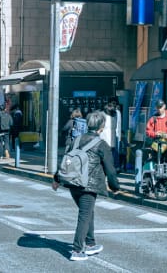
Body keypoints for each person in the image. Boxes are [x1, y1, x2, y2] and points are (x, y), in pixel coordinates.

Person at [52, 111, 120, 262]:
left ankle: (90, 243)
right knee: (84, 215)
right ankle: (77, 250)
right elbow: (110, 169)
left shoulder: (76, 139)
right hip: (88, 186)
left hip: (72, 183)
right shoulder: (102, 145)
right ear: (101, 127)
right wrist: (115, 187)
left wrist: (57, 178)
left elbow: (66, 159)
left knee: (88, 212)